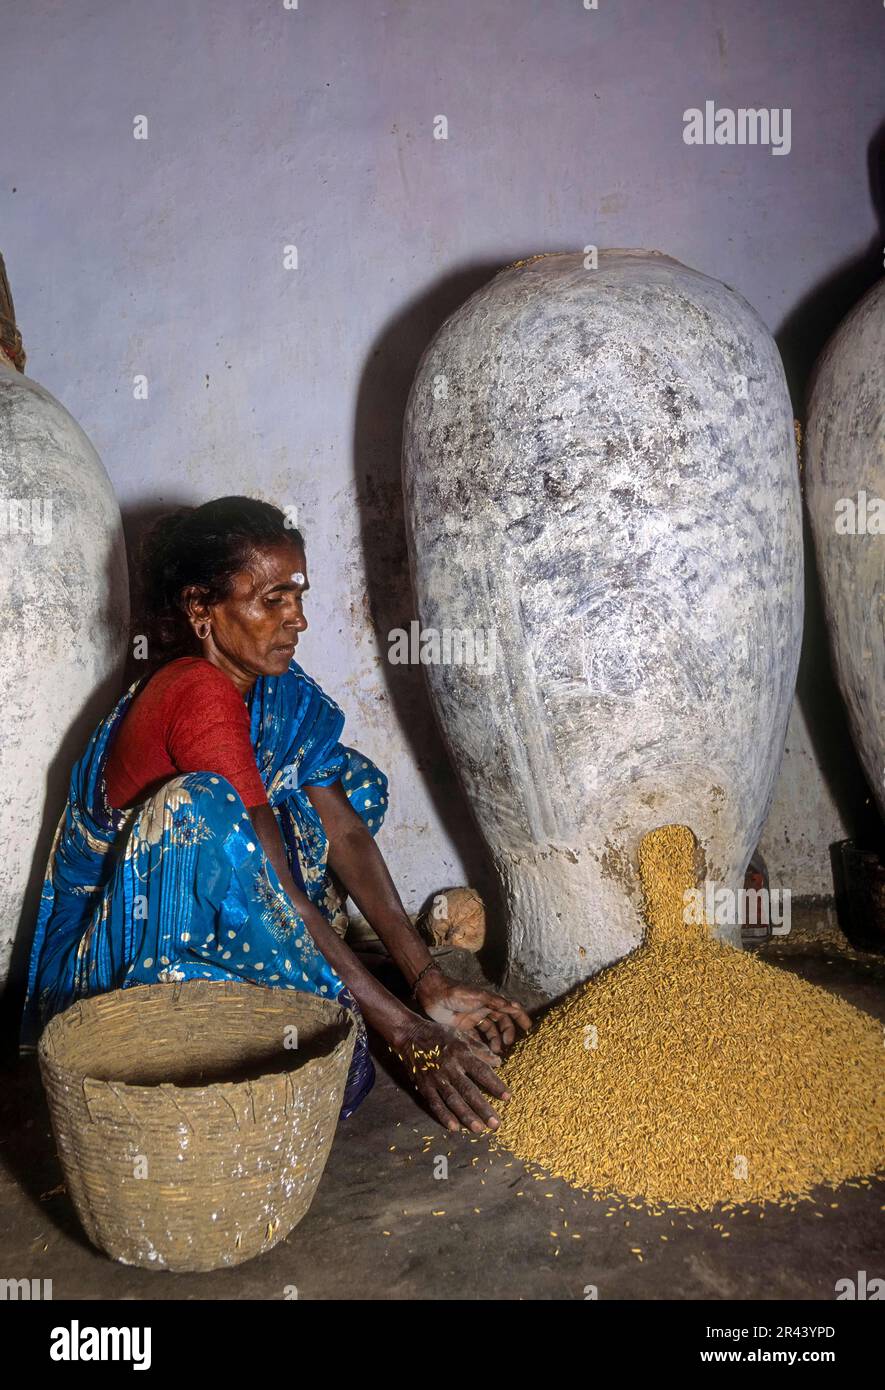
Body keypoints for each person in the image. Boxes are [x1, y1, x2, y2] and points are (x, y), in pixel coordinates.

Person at [20, 496, 531, 1130]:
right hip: (118, 948)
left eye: (297, 595)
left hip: (240, 889)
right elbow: (271, 877)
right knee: (201, 808)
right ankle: (216, 1000)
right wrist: (401, 1030)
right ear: (201, 610)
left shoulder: (274, 686)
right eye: (271, 601)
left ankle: (302, 969)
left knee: (350, 778)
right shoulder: (196, 693)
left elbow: (343, 828)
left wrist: (426, 980)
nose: (297, 620)